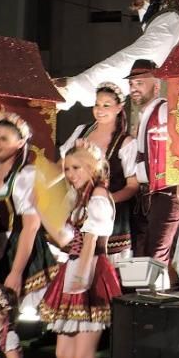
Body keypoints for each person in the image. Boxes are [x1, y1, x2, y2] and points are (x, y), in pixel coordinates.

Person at [38, 140, 122, 358]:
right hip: (72, 269)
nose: (70, 173)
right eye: (68, 168)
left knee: (85, 357)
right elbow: (67, 238)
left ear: (92, 168)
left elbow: (89, 243)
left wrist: (83, 278)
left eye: (76, 168)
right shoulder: (79, 197)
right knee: (63, 354)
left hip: (91, 273)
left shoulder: (98, 196)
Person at [0, 112, 59, 312]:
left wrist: (16, 271)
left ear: (21, 143)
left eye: (4, 139)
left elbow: (31, 227)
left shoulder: (25, 175)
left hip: (21, 251)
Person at [60, 82, 138, 263]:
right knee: (74, 259)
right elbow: (63, 165)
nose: (99, 109)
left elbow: (132, 186)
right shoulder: (82, 131)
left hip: (110, 214)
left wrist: (102, 200)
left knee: (103, 264)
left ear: (119, 108)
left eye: (106, 105)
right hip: (77, 210)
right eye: (97, 104)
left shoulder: (125, 142)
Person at [127, 59, 179, 273]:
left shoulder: (164, 109)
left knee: (156, 253)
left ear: (156, 85)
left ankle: (157, 299)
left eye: (140, 83)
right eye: (132, 84)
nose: (134, 88)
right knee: (147, 252)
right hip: (150, 193)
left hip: (167, 190)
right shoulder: (145, 115)